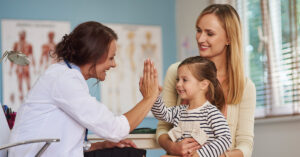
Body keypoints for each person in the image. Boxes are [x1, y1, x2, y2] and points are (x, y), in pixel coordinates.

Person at [8, 21, 160, 157]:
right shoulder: (65, 80)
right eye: (111, 58)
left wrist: (99, 145)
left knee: (127, 152)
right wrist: (150, 98)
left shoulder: (65, 76)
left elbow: (64, 141)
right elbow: (115, 130)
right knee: (130, 155)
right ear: (94, 56)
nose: (114, 64)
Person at [156, 4, 256, 157]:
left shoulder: (245, 86)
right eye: (198, 31)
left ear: (228, 38)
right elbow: (163, 127)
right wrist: (173, 148)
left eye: (209, 33)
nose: (200, 38)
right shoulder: (176, 72)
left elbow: (245, 144)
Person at [151, 56, 231, 157]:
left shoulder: (212, 113)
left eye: (184, 80)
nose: (178, 84)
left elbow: (225, 138)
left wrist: (200, 154)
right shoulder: (179, 111)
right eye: (177, 79)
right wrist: (154, 97)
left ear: (203, 84)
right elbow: (162, 114)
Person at [11, 30, 35, 101]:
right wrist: (11, 68)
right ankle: (21, 98)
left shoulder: (29, 45)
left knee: (27, 82)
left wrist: (34, 67)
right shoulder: (16, 44)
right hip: (19, 66)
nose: (21, 36)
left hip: (25, 66)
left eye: (22, 35)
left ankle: (29, 98)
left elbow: (32, 56)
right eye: (21, 35)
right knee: (20, 82)